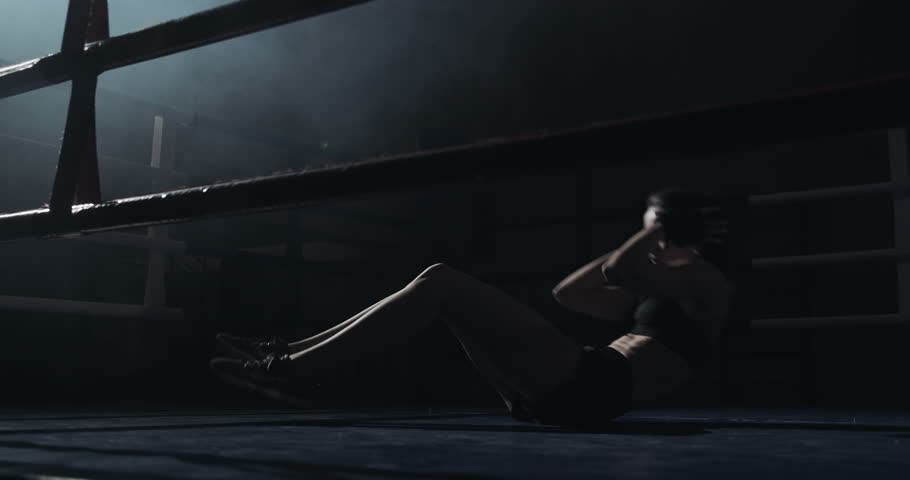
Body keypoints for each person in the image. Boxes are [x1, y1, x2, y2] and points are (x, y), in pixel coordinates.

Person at [210, 186, 737, 426]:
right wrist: (649, 232)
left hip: (595, 385)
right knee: (443, 294)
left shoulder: (707, 282)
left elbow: (622, 270)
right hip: (581, 382)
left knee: (441, 282)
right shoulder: (663, 290)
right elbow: (570, 293)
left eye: (655, 232)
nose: (648, 240)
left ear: (681, 233)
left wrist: (657, 230)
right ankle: (287, 354)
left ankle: (293, 368)